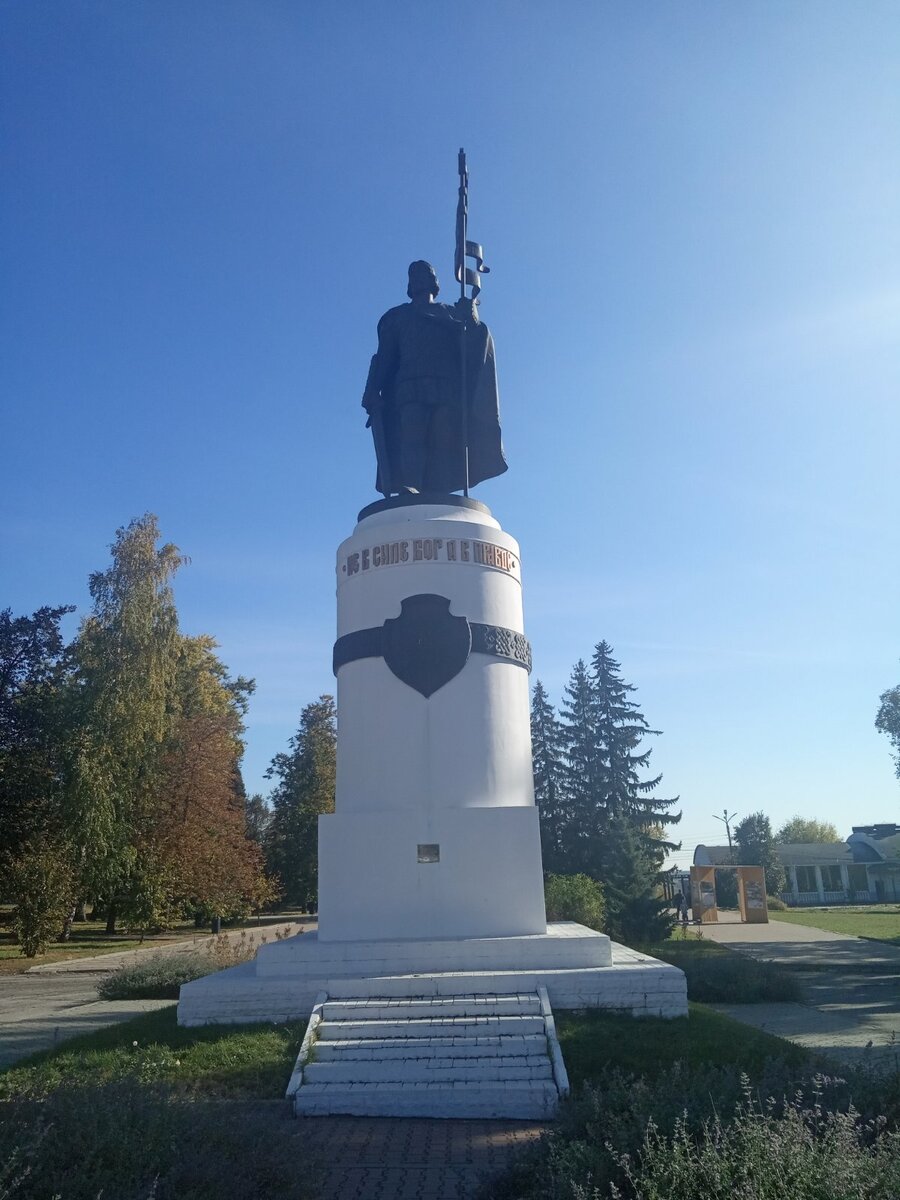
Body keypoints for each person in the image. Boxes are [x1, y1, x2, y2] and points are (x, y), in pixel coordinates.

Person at [362, 261, 507, 495]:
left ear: (434, 282)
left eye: (425, 275)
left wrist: (472, 320)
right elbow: (385, 358)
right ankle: (411, 484)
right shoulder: (397, 317)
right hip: (410, 386)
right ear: (409, 284)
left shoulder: (451, 314)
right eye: (415, 275)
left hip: (445, 387)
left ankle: (439, 487)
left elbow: (473, 346)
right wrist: (372, 390)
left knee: (443, 438)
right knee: (412, 435)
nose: (419, 279)